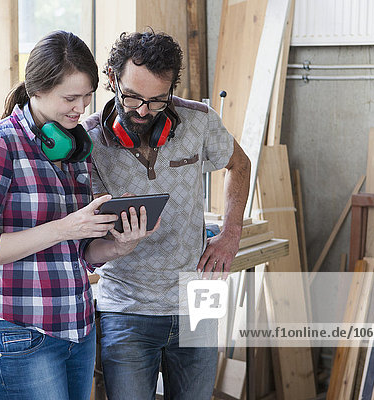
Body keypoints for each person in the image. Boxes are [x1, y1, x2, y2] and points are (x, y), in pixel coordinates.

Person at [0, 30, 157, 400]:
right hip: (20, 332)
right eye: (70, 98)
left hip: (76, 329)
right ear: (36, 89)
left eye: (87, 96)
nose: (81, 108)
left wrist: (118, 246)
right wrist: (65, 227)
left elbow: (78, 253)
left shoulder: (73, 145)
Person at [81, 30, 251, 399]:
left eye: (158, 101)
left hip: (198, 298)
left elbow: (240, 164)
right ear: (112, 78)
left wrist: (231, 233)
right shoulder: (87, 140)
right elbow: (87, 235)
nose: (143, 111)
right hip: (126, 305)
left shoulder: (200, 121)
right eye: (133, 97)